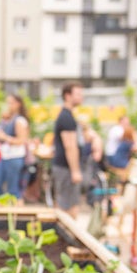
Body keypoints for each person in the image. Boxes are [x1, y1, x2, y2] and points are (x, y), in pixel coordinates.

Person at [52, 82, 84, 219]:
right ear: (67, 95)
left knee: (65, 203)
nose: (81, 97)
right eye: (78, 94)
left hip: (64, 167)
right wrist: (75, 171)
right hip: (66, 168)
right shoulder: (66, 118)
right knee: (68, 207)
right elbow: (70, 146)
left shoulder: (67, 116)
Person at [0, 94, 30, 199]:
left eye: (11, 103)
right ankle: (6, 206)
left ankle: (14, 210)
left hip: (15, 157)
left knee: (13, 189)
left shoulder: (20, 121)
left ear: (18, 104)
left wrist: (5, 137)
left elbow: (22, 140)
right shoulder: (9, 119)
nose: (8, 105)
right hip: (5, 156)